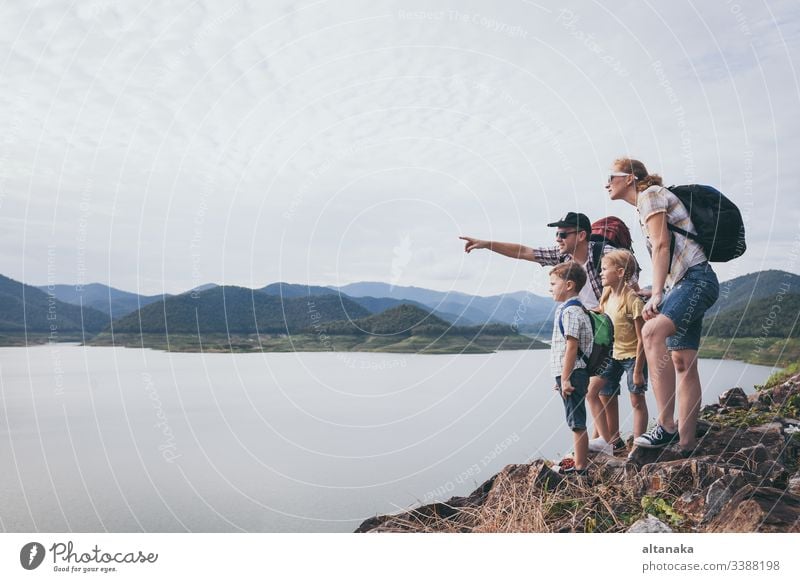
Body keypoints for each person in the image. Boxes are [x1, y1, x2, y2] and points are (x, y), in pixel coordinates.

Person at [606, 158, 719, 455]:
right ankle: (686, 444)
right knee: (683, 362)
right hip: (684, 284)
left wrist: (656, 294)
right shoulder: (646, 202)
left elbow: (662, 245)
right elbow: (668, 256)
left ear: (630, 178)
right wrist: (656, 289)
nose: (607, 183)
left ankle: (666, 426)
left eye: (611, 176)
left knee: (652, 332)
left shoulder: (650, 195)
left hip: (695, 281)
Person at [460, 212, 618, 310]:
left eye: (563, 235)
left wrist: (604, 308)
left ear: (582, 236)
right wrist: (487, 244)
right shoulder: (562, 256)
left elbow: (630, 286)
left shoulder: (607, 255)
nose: (558, 239)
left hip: (614, 329)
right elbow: (523, 251)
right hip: (589, 327)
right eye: (556, 234)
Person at [587, 249, 649, 454]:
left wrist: (639, 370)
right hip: (612, 356)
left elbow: (642, 339)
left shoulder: (632, 300)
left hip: (633, 356)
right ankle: (611, 441)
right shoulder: (606, 296)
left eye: (605, 269)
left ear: (620, 272)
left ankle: (639, 447)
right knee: (598, 393)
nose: (600, 273)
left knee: (636, 400)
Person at [548, 261, 594, 475]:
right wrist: (561, 379)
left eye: (553, 283)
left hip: (573, 373)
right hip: (569, 373)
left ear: (568, 285)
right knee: (573, 418)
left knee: (576, 421)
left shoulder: (571, 311)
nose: (550, 288)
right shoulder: (568, 309)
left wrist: (565, 379)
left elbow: (572, 346)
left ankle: (581, 467)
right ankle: (579, 463)